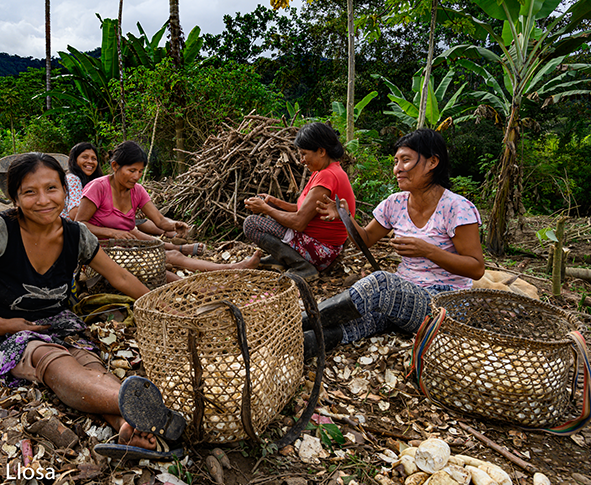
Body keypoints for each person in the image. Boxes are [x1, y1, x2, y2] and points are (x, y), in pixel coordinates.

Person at [0, 153, 184, 455]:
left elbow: (118, 276)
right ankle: (140, 406)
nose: (43, 200)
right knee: (47, 356)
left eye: (52, 189)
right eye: (30, 192)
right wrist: (0, 324)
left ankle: (124, 422)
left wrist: (157, 307)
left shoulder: (75, 234)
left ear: (66, 193)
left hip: (58, 322)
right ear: (15, 198)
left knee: (89, 362)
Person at [304, 128, 485, 357]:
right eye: (396, 161)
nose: (397, 169)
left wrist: (428, 250)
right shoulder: (395, 203)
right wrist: (345, 217)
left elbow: (476, 268)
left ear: (432, 162)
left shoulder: (457, 208)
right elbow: (365, 240)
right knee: (364, 319)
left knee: (381, 284)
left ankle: (299, 321)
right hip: (405, 296)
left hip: (444, 306)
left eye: (406, 160)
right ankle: (297, 342)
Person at [75, 141, 262, 281]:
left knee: (173, 257)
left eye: (140, 171)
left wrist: (174, 225)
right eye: (132, 170)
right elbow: (80, 224)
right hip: (97, 254)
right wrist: (113, 233)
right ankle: (216, 281)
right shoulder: (97, 188)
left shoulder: (137, 191)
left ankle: (233, 268)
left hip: (126, 250)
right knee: (162, 270)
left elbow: (159, 221)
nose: (137, 177)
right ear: (115, 166)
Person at [243, 122, 356, 281]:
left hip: (321, 251)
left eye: (304, 154)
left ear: (321, 151)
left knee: (251, 224)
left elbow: (299, 222)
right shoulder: (326, 172)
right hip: (325, 247)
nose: (301, 160)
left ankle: (302, 266)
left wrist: (265, 209)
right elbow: (301, 209)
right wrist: (273, 202)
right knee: (272, 216)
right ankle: (285, 260)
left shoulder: (327, 177)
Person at [63, 142, 103, 220]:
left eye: (94, 158)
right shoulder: (73, 179)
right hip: (69, 228)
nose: (90, 161)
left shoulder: (92, 181)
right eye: (85, 157)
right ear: (74, 160)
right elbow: (75, 214)